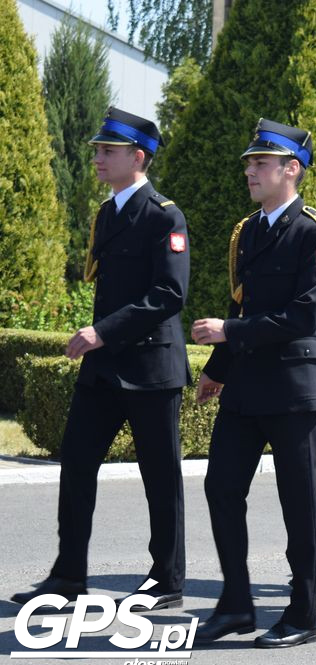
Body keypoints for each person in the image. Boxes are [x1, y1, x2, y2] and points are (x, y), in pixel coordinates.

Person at [12, 108, 189, 611]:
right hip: (105, 368)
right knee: (77, 464)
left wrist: (102, 331)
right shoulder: (107, 213)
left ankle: (166, 580)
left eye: (107, 151)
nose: (97, 158)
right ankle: (69, 575)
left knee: (160, 477)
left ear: (138, 157)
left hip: (151, 369)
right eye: (96, 150)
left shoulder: (164, 215)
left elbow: (169, 294)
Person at [191, 119, 316, 648]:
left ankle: (303, 614)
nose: (251, 170)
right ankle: (236, 604)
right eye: (250, 163)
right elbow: (245, 302)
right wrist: (218, 369)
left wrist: (228, 332)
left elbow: (303, 316)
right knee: (221, 487)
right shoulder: (250, 229)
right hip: (248, 387)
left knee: (298, 501)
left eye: (261, 163)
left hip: (296, 389)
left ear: (291, 169)